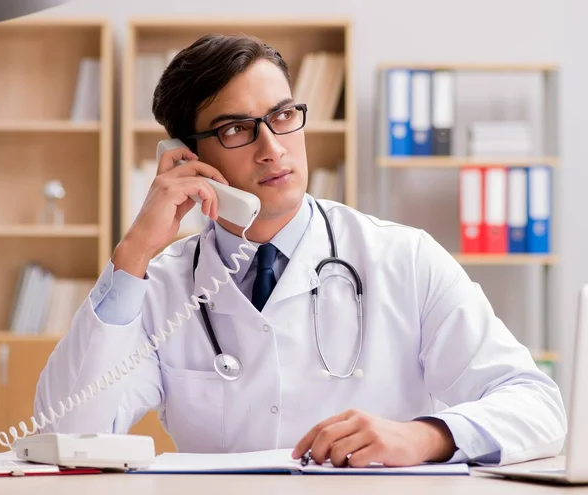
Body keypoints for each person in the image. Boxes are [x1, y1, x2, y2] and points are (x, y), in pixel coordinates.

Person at [34, 33, 566, 468]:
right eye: (237, 128)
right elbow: (66, 435)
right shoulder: (159, 284)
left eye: (284, 115)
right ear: (186, 157)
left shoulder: (403, 258)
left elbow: (537, 405)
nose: (273, 148)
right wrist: (132, 255)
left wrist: (427, 437)